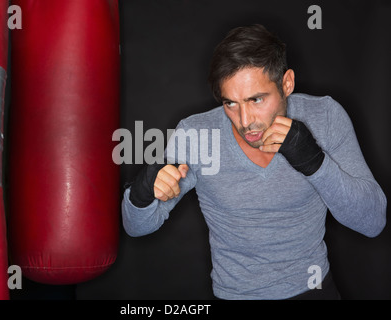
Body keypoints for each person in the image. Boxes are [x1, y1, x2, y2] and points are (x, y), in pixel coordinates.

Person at [121, 24, 387, 300]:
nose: (245, 121)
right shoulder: (197, 134)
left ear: (287, 84)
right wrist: (141, 195)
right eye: (231, 104)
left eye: (257, 99)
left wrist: (314, 163)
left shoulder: (325, 116)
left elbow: (372, 222)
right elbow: (137, 227)